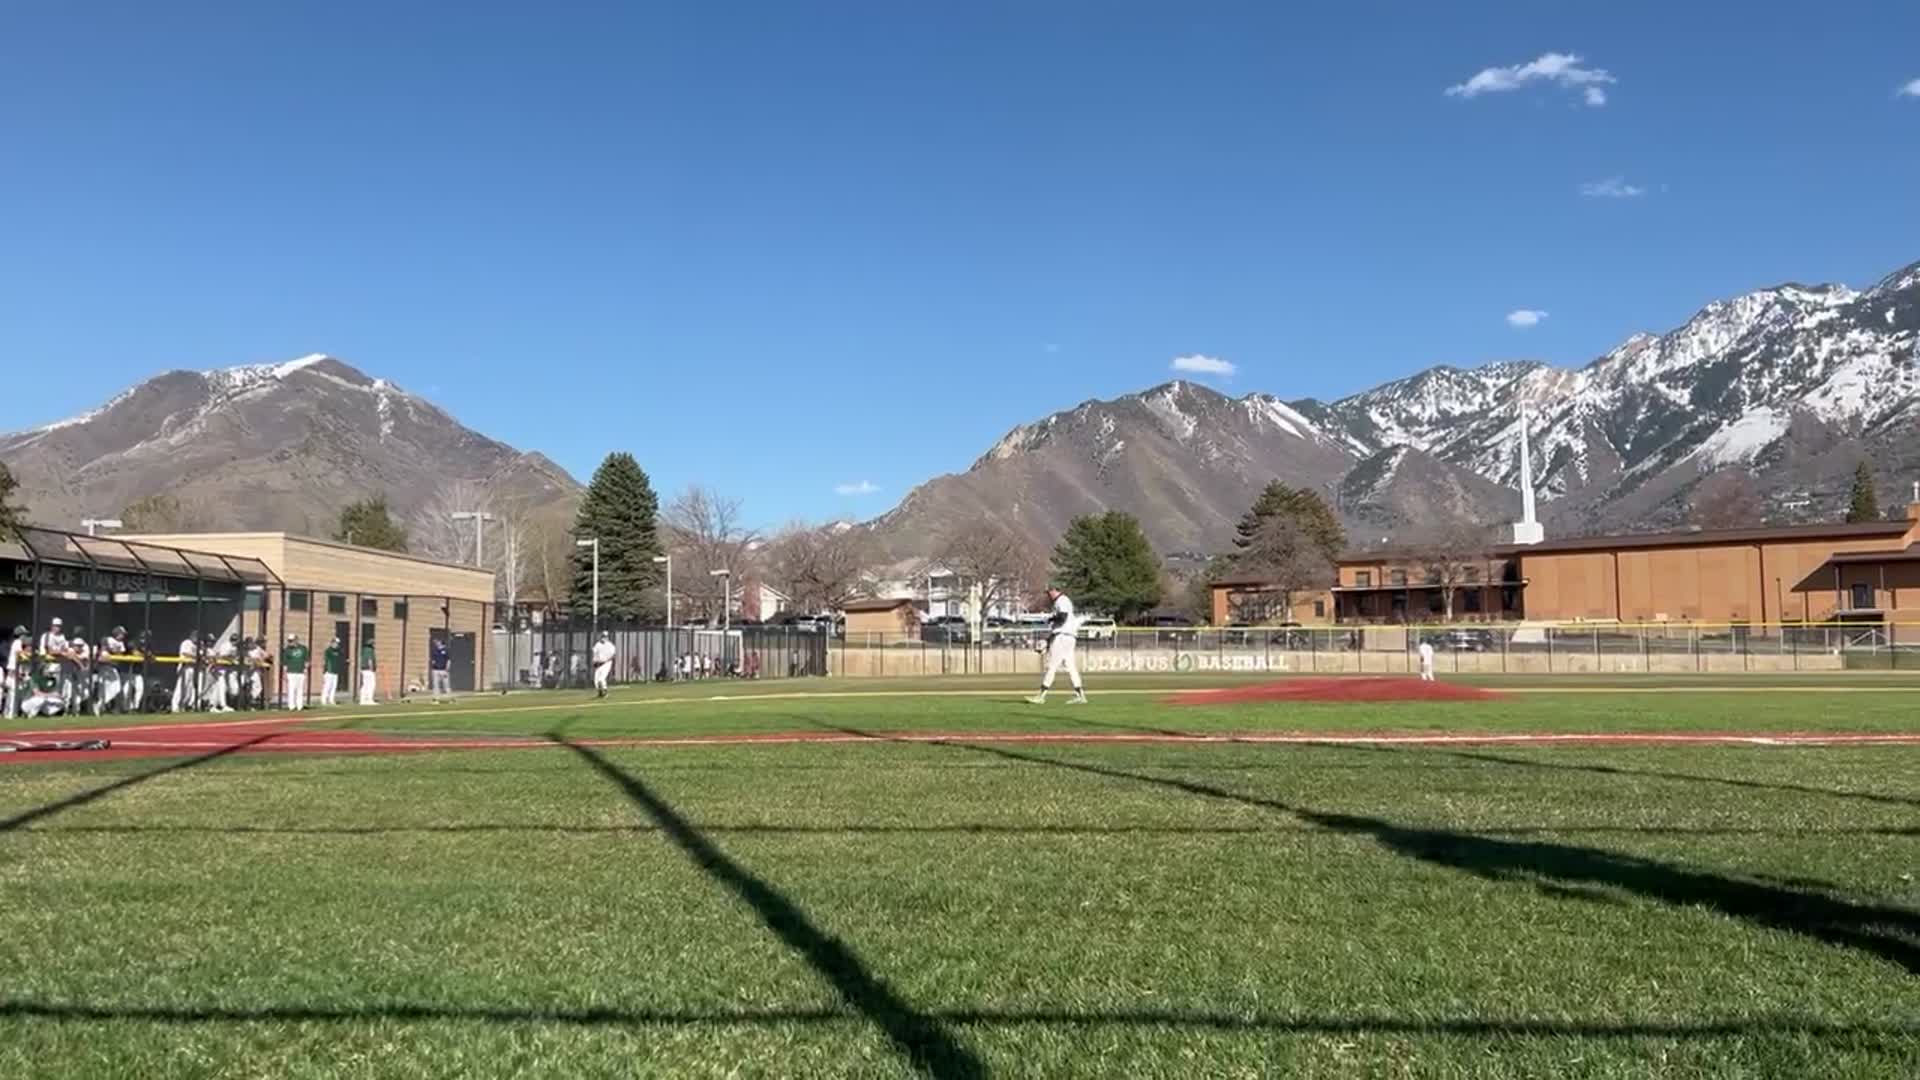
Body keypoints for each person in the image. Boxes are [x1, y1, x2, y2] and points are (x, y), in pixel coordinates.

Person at [1027, 585, 1088, 705]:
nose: (1048, 595)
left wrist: (1051, 619)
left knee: (1051, 665)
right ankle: (1080, 695)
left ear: (1055, 590)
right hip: (1067, 637)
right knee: (1070, 666)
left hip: (1063, 637)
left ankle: (1041, 696)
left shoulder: (1062, 600)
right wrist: (1048, 641)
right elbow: (1059, 625)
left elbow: (1062, 618)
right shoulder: (1060, 601)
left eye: (1049, 592)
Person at [38, 617, 71, 706]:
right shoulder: (47, 635)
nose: (57, 628)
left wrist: (64, 652)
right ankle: (44, 708)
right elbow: (49, 650)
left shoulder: (62, 636)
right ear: (51, 626)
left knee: (57, 687)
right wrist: (62, 653)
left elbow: (66, 649)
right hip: (46, 664)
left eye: (59, 626)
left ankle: (54, 708)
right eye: (55, 626)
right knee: (47, 686)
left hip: (57, 664)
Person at [97, 626, 127, 715]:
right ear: (116, 633)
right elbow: (103, 652)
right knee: (103, 689)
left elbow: (121, 655)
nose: (123, 636)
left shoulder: (121, 643)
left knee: (116, 688)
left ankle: (100, 706)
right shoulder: (107, 639)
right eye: (121, 634)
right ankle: (99, 707)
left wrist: (113, 655)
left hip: (113, 667)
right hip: (104, 667)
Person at [207, 634, 237, 713]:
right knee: (219, 687)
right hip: (218, 668)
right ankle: (222, 705)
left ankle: (212, 705)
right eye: (233, 640)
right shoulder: (226, 645)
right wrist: (231, 659)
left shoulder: (233, 647)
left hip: (223, 669)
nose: (234, 641)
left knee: (218, 688)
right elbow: (222, 656)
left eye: (235, 640)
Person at [5, 625, 29, 719]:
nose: (25, 636)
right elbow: (19, 654)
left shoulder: (16, 642)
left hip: (13, 673)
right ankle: (10, 715)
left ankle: (10, 714)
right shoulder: (17, 642)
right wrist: (29, 655)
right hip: (13, 672)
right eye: (23, 634)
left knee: (13, 695)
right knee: (13, 695)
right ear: (20, 634)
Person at [172, 632, 200, 712]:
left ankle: (182, 706)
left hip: (192, 668)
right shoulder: (186, 642)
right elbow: (185, 653)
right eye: (195, 636)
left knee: (189, 688)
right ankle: (175, 706)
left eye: (197, 637)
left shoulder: (197, 645)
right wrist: (196, 656)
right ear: (191, 636)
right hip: (185, 667)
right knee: (181, 687)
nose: (196, 638)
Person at [282, 634, 310, 711]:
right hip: (291, 672)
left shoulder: (303, 648)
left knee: (300, 689)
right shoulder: (287, 650)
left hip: (301, 672)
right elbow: (285, 663)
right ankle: (291, 706)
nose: (290, 642)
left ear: (296, 640)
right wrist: (284, 673)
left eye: (291, 641)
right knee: (291, 689)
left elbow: (307, 660)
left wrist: (305, 670)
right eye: (289, 641)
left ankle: (299, 706)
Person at [320, 636, 343, 706]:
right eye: (335, 643)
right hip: (329, 672)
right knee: (327, 686)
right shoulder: (328, 651)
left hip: (335, 672)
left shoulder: (339, 651)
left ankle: (331, 700)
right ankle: (323, 700)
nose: (337, 645)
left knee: (334, 686)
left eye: (337, 643)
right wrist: (327, 670)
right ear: (332, 643)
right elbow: (326, 661)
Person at [247, 637, 270, 707]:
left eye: (251, 643)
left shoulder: (257, 648)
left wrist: (263, 660)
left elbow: (267, 655)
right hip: (246, 670)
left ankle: (251, 700)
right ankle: (247, 701)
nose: (250, 644)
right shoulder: (245, 650)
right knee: (245, 686)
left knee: (258, 687)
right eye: (249, 643)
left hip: (255, 671)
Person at [590, 632, 615, 698]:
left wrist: (606, 660)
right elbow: (594, 653)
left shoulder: (610, 645)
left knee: (601, 679)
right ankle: (600, 693)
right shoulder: (597, 644)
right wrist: (594, 661)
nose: (604, 638)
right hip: (599, 664)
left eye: (606, 636)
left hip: (607, 663)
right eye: (603, 636)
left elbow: (613, 655)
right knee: (596, 680)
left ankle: (605, 692)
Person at [429, 636, 452, 703]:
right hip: (436, 670)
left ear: (441, 642)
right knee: (436, 685)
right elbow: (433, 660)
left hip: (443, 670)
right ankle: (436, 699)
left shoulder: (446, 650)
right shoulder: (435, 650)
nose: (436, 643)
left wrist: (447, 669)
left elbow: (448, 660)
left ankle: (449, 699)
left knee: (446, 685)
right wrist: (433, 666)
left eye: (438, 641)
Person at [357, 640, 378, 705]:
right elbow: (370, 660)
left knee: (365, 684)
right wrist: (371, 668)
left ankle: (362, 700)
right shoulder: (370, 650)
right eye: (374, 644)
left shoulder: (364, 650)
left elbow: (360, 659)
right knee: (371, 685)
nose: (374, 645)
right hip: (369, 670)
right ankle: (369, 699)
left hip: (363, 669)